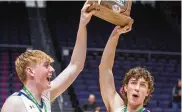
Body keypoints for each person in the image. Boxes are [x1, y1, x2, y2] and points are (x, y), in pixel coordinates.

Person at [1, 1, 96, 112]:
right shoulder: (15, 103)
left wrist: (83, 23)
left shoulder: (45, 97)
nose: (52, 69)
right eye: (46, 65)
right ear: (31, 71)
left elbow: (76, 65)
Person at [98, 25, 155, 112]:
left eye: (142, 85)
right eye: (133, 83)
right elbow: (105, 69)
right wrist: (115, 34)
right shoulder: (117, 109)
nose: (137, 88)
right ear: (125, 87)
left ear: (147, 92)